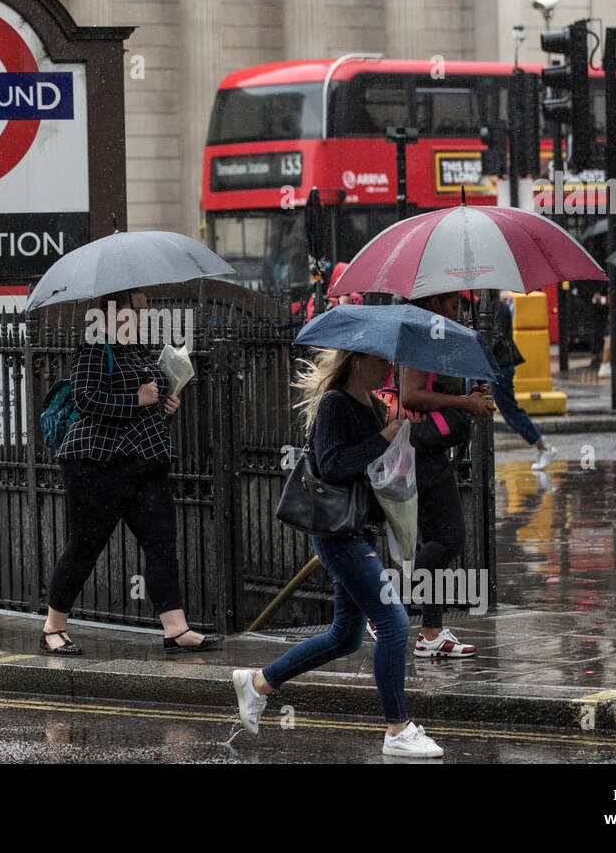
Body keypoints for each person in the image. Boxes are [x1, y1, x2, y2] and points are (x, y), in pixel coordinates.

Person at [231, 348, 445, 757]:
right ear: (357, 363)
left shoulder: (371, 405)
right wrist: (382, 438)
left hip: (358, 530)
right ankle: (397, 730)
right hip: (337, 535)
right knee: (395, 624)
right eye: (381, 362)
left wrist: (396, 444)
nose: (389, 368)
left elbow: (369, 467)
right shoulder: (335, 404)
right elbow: (331, 466)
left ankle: (258, 683)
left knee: (345, 637)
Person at [42, 289, 224, 655]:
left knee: (162, 544)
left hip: (145, 462)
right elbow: (85, 398)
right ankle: (53, 627)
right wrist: (136, 399)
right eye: (137, 310)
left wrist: (165, 406)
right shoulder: (95, 347)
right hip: (96, 464)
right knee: (85, 546)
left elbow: (148, 402)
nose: (144, 316)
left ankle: (176, 629)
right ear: (112, 313)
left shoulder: (138, 350)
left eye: (144, 310)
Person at [397, 290, 494, 657]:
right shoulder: (422, 332)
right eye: (454, 305)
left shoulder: (431, 331)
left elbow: (432, 389)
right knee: (451, 539)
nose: (460, 313)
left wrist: (471, 395)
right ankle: (379, 604)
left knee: (432, 541)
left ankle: (430, 632)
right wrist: (463, 403)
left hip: (428, 450)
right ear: (434, 302)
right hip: (422, 453)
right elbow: (412, 395)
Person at [487, 290, 556, 472]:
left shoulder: (498, 306)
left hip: (500, 365)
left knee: (510, 411)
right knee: (471, 413)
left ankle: (543, 446)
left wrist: (478, 353)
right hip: (489, 366)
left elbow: (497, 336)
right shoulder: (480, 305)